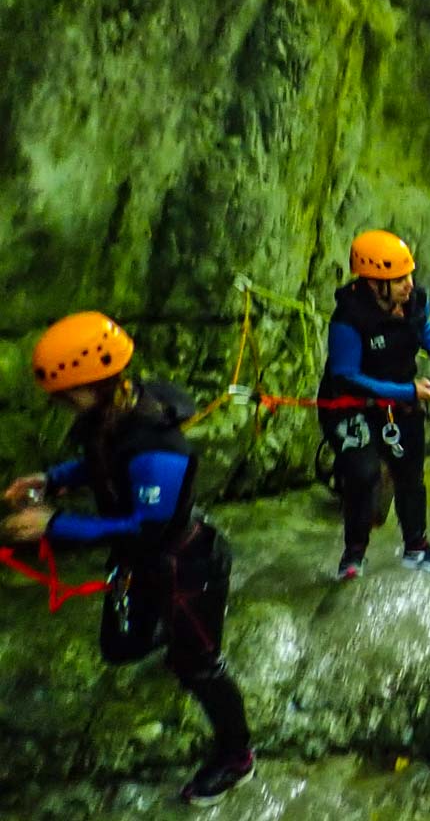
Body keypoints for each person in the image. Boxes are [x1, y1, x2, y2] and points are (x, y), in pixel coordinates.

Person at [1, 312, 255, 804]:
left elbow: (146, 524)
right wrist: (51, 479)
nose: (59, 404)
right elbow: (103, 460)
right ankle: (169, 629)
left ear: (91, 385)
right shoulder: (114, 413)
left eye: (64, 394)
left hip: (184, 562)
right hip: (144, 559)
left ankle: (236, 756)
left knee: (197, 665)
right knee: (119, 648)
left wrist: (55, 523)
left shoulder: (159, 448)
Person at [319, 230, 430, 581]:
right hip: (352, 406)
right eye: (398, 279)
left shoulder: (412, 302)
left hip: (399, 404)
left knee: (410, 474)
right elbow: (346, 376)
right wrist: (406, 391)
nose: (409, 284)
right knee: (362, 476)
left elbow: (423, 330)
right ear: (375, 283)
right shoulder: (348, 320)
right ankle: (354, 551)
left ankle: (417, 546)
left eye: (409, 275)